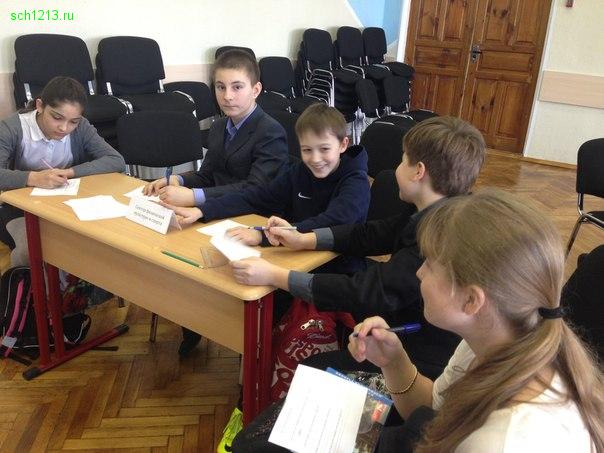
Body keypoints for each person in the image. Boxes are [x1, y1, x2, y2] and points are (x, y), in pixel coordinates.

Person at [230, 116, 486, 379]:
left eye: (402, 160)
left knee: (311, 371)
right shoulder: (437, 208)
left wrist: (275, 275)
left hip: (420, 352)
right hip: (406, 318)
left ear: (418, 171)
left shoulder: (441, 235)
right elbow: (371, 234)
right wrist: (304, 238)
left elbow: (369, 291)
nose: (396, 167)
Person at [348, 189, 603, 452]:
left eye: (430, 264)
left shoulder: (501, 442)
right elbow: (435, 410)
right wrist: (393, 361)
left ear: (471, 300)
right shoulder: (492, 335)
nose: (420, 272)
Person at [143, 49, 289, 360]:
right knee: (176, 253)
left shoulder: (270, 131)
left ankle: (231, 332)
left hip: (250, 218)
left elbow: (255, 189)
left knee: (201, 257)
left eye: (237, 87)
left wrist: (196, 198)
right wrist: (176, 181)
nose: (227, 95)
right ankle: (194, 321)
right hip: (216, 213)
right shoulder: (221, 126)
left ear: (256, 89)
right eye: (220, 87)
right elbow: (208, 173)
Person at [166, 103, 370, 277]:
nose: (315, 159)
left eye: (324, 149)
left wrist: (262, 236)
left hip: (337, 271)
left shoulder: (356, 181)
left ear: (343, 144)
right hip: (292, 256)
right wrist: (202, 210)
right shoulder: (299, 171)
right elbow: (256, 197)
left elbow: (332, 222)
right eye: (307, 150)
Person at [0, 76, 126, 266]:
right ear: (40, 106)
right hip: (20, 208)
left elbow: (116, 160)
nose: (64, 128)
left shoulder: (81, 127)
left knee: (99, 243)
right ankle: (24, 282)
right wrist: (33, 178)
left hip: (67, 203)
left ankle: (73, 284)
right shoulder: (12, 128)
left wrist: (70, 172)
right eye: (56, 118)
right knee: (31, 250)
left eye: (73, 121)